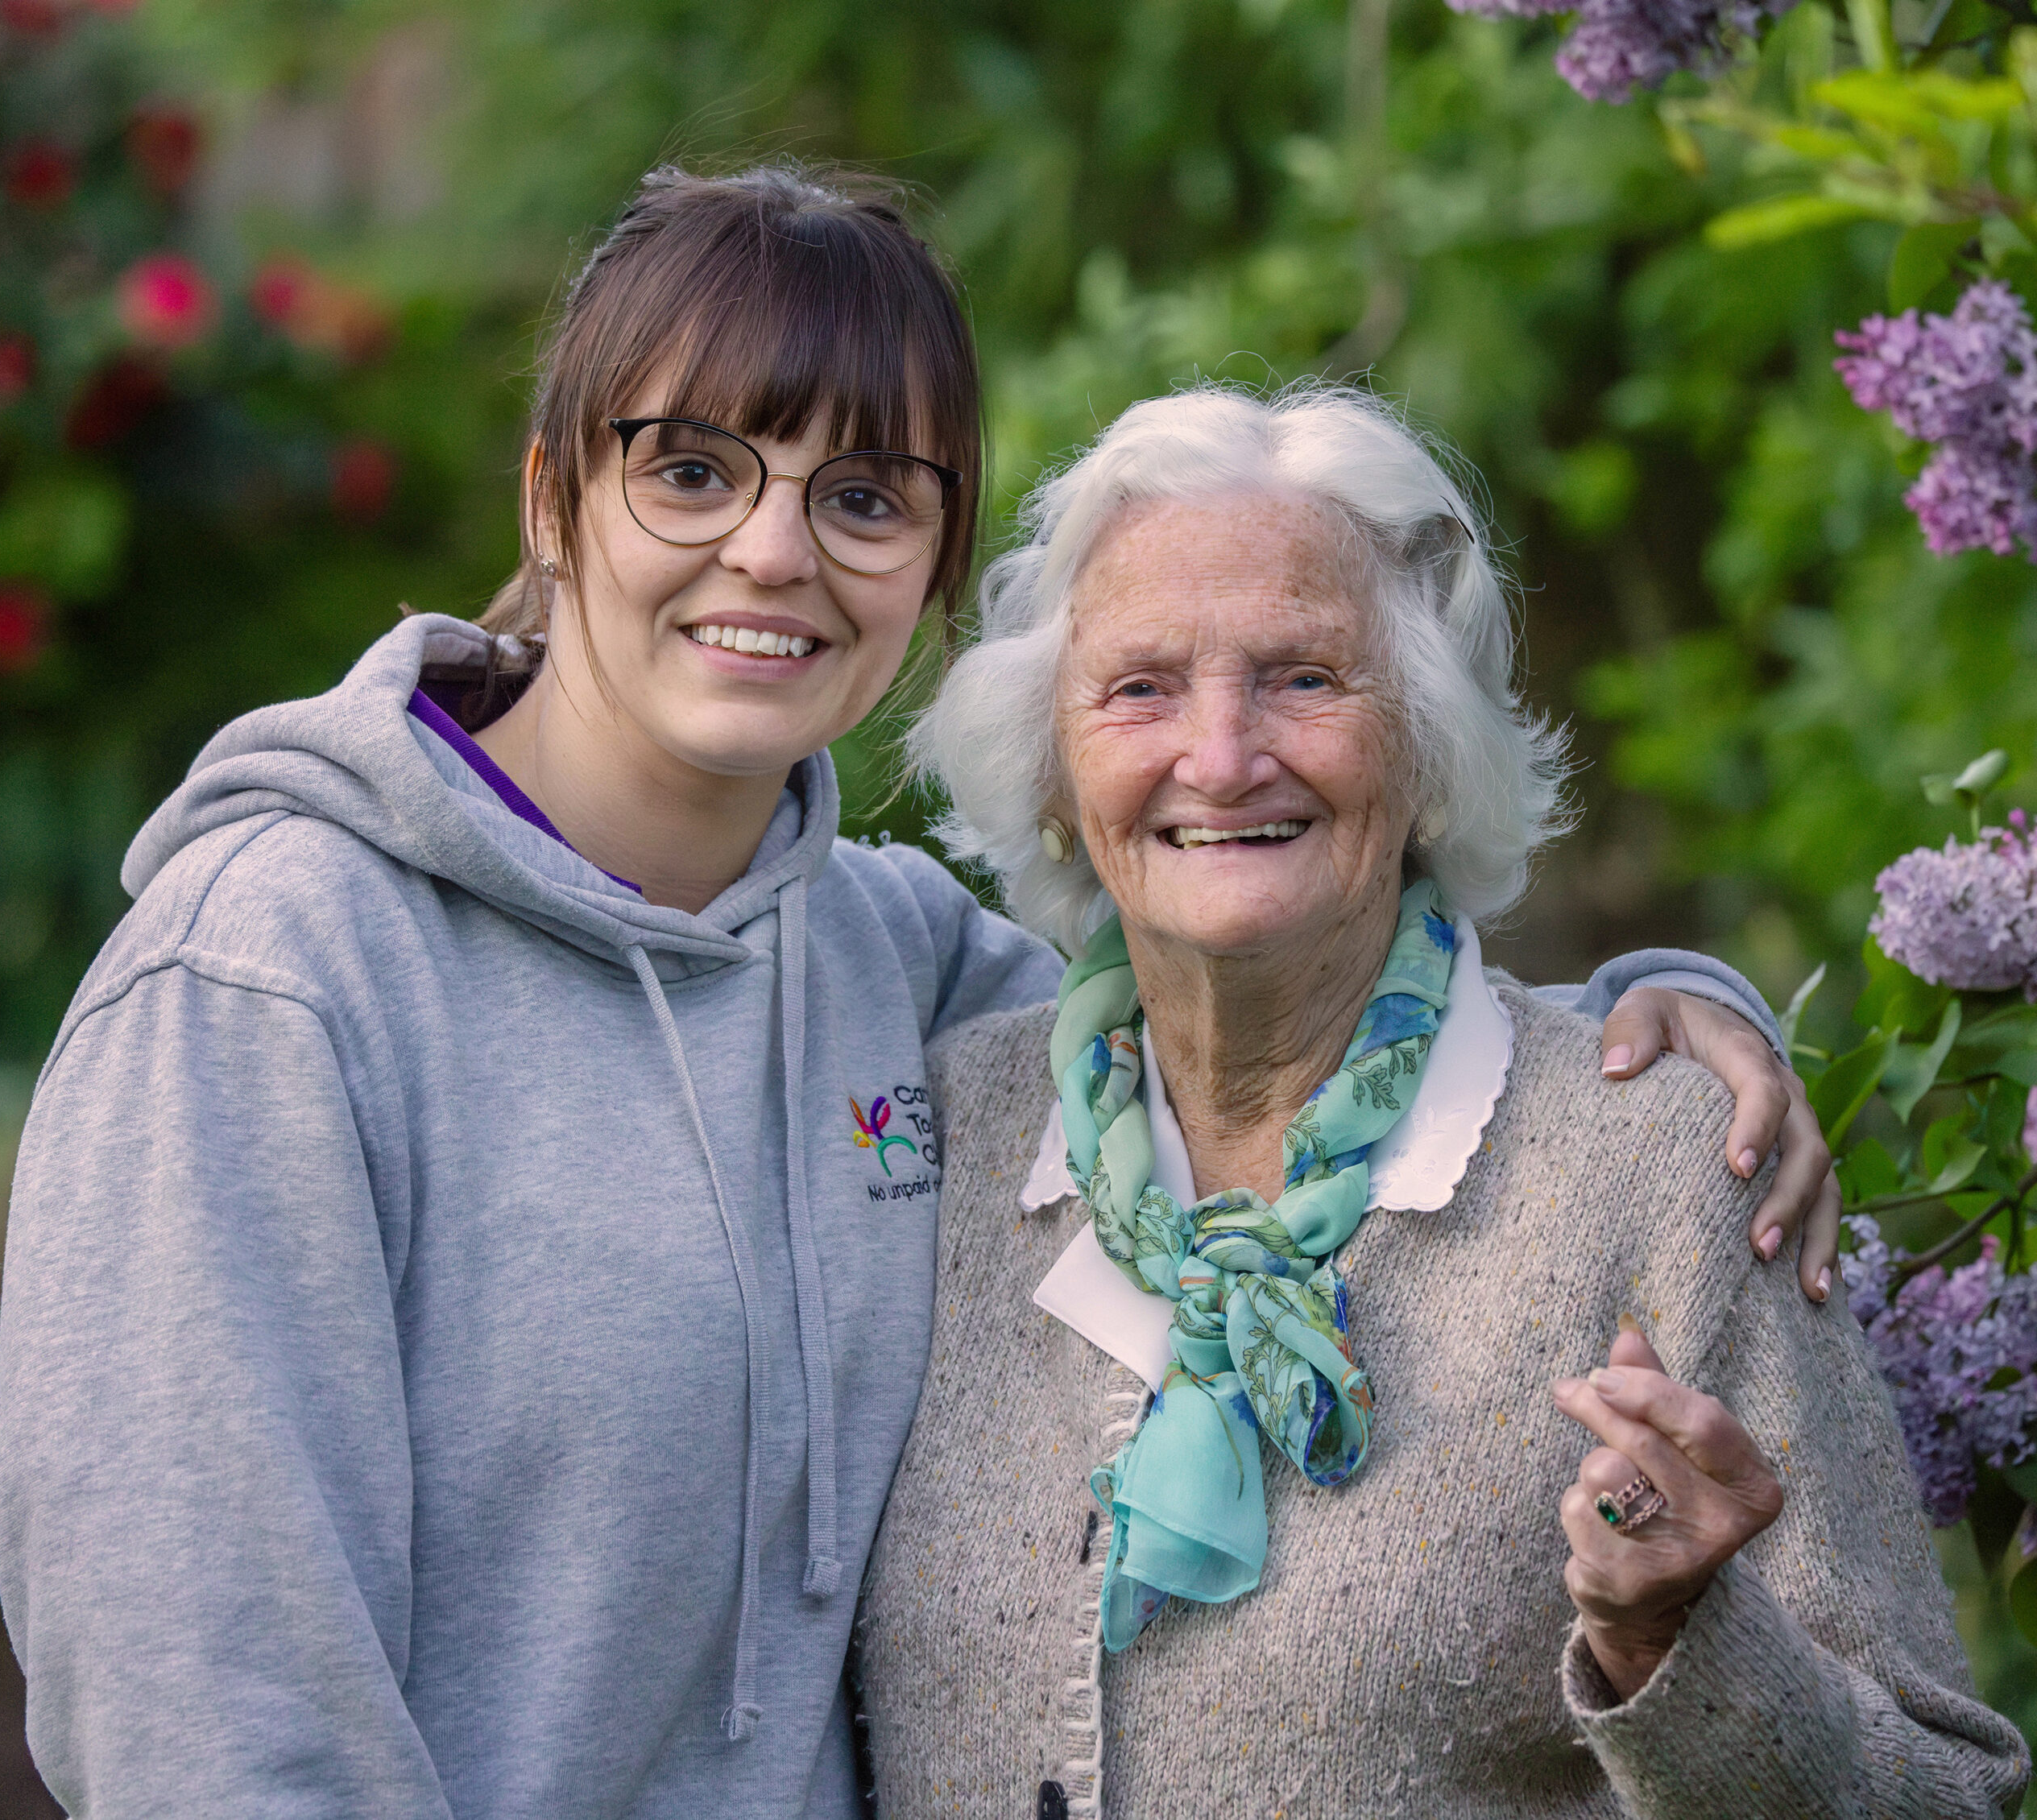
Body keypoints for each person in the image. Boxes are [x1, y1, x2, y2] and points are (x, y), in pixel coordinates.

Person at [0, 168, 1823, 1818]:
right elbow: (206, 1728)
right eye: (692, 469)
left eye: (861, 495)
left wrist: (1650, 1014)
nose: (776, 553)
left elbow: (1266, 988)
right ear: (554, 498)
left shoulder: (906, 978)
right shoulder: (268, 983)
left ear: (934, 570)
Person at [854, 382, 2031, 1818]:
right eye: (1141, 686)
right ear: (1053, 775)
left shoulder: (1664, 1165)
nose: (1220, 758)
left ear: (1427, 751)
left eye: (1304, 678)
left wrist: (1676, 1646)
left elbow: (1946, 1797)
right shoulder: (935, 1140)